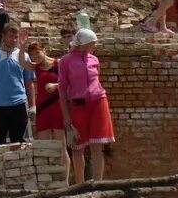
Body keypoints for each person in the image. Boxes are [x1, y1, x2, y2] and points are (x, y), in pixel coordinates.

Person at [58, 28, 115, 184]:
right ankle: (80, 185)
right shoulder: (66, 61)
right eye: (92, 43)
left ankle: (98, 185)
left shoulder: (94, 60)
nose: (94, 46)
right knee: (78, 147)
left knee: (98, 146)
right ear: (83, 44)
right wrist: (66, 115)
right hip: (78, 105)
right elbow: (62, 88)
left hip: (98, 103)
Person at [19, 39, 70, 184]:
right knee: (44, 145)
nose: (36, 57)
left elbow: (68, 82)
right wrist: (22, 47)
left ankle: (64, 181)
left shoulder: (58, 63)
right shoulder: (36, 67)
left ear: (44, 50)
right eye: (33, 55)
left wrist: (55, 85)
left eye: (37, 53)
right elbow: (23, 63)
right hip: (43, 108)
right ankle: (47, 180)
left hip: (57, 105)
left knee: (61, 145)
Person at [0, 23, 36, 145]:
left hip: (18, 105)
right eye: (11, 36)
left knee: (19, 144)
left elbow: (29, 82)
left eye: (16, 37)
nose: (14, 40)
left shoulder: (23, 56)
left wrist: (32, 106)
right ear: (3, 36)